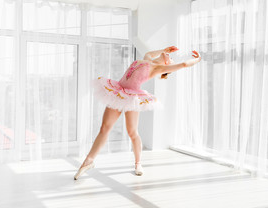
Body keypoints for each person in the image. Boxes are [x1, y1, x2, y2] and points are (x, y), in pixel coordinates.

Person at [74, 46, 201, 179]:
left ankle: (138, 163)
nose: (170, 56)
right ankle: (88, 161)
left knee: (132, 132)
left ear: (167, 64)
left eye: (171, 58)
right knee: (104, 128)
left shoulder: (157, 68)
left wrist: (198, 59)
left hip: (131, 98)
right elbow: (149, 53)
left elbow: (185, 64)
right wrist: (164, 50)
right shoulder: (146, 59)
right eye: (170, 55)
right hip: (118, 92)